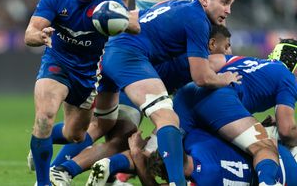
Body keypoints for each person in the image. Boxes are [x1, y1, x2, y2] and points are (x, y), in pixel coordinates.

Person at [89, 0, 241, 186]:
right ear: (205, 0)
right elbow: (201, 77)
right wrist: (224, 79)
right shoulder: (198, 20)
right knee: (167, 118)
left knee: (96, 127)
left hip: (113, 52)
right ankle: (176, 182)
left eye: (230, 4)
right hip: (130, 59)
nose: (229, 10)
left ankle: (60, 169)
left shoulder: (177, 5)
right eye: (224, 2)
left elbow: (136, 16)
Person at [47, 24, 233, 186]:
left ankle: (62, 160)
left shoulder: (186, 49)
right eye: (226, 46)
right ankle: (65, 166)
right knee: (125, 141)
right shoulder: (206, 60)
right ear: (212, 44)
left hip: (126, 81)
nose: (228, 52)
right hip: (133, 86)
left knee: (111, 135)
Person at [24, 0, 140, 186]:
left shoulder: (108, 2)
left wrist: (119, 21)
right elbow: (29, 34)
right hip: (57, 63)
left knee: (75, 134)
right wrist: (41, 36)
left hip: (88, 74)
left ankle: (40, 139)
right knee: (44, 116)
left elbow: (136, 27)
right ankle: (43, 182)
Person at [171, 38, 297, 185]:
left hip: (187, 94)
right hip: (219, 99)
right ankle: (268, 183)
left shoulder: (245, 60)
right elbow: (286, 131)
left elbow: (208, 62)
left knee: (163, 157)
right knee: (265, 147)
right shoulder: (288, 78)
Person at [105, 129, 297, 186]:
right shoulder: (197, 140)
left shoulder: (203, 181)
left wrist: (138, 156)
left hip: (288, 179)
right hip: (279, 152)